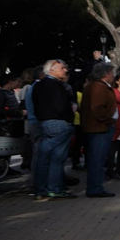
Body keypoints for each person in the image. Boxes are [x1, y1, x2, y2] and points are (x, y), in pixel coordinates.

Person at [31, 60, 75, 199]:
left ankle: (41, 190)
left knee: (43, 158)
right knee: (57, 159)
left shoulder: (38, 85)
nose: (65, 70)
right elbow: (61, 106)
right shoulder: (56, 85)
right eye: (62, 68)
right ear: (51, 70)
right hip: (59, 123)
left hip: (44, 123)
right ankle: (54, 189)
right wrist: (69, 117)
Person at [78, 62, 117, 197]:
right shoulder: (98, 87)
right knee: (97, 160)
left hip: (98, 127)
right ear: (106, 74)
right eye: (111, 73)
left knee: (97, 159)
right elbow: (97, 108)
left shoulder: (96, 86)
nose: (113, 76)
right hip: (99, 128)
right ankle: (95, 188)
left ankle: (95, 187)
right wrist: (109, 120)